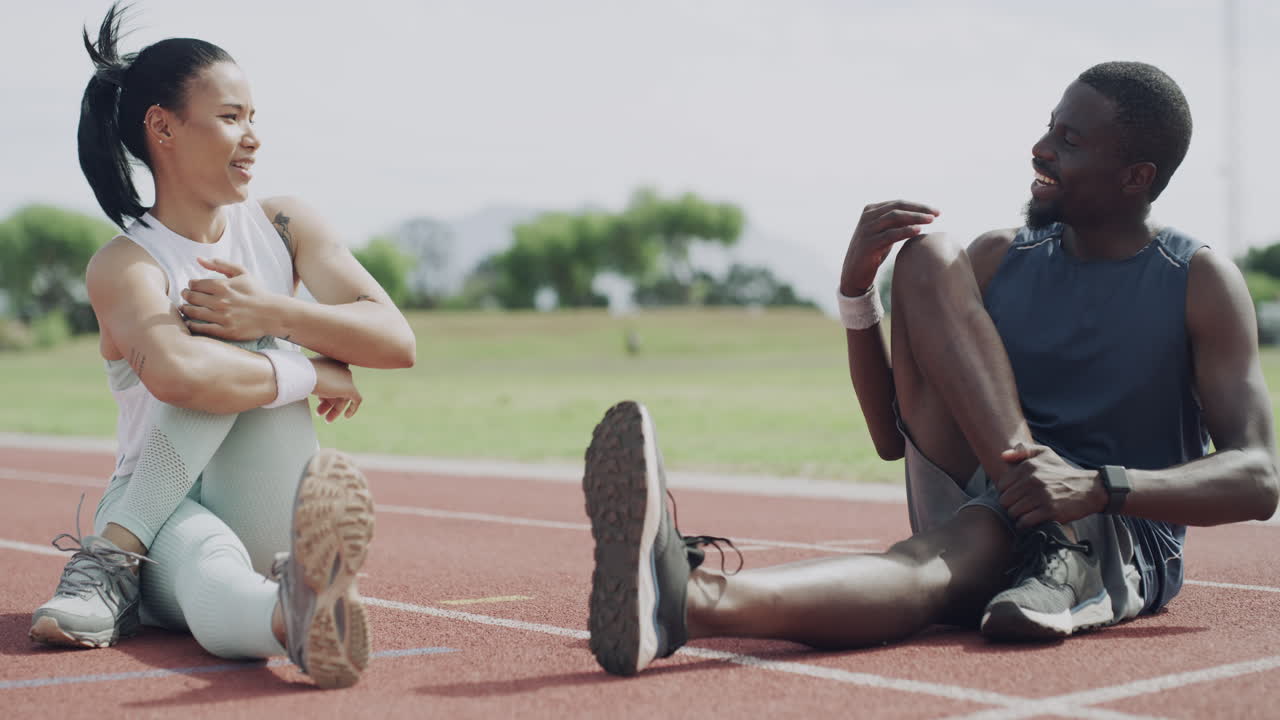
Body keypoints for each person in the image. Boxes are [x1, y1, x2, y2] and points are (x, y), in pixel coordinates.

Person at [581, 61, 1279, 675]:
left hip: (1117, 527)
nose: (1039, 149)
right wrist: (857, 292)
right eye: (1048, 128)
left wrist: (1097, 487)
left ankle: (685, 599)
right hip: (996, 490)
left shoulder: (1198, 279)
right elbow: (894, 438)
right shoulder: (1000, 258)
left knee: (928, 565)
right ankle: (1045, 540)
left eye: (1069, 140)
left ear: (1136, 177)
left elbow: (1258, 478)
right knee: (928, 254)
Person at [28, 4, 415, 690]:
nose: (254, 138)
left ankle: (120, 557)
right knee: (207, 565)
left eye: (254, 118)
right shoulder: (127, 265)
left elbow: (395, 339)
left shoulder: (285, 225)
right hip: (162, 515)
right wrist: (314, 369)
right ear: (163, 126)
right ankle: (286, 613)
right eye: (232, 117)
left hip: (263, 491)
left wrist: (272, 312)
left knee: (242, 331)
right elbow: (180, 378)